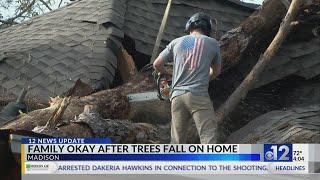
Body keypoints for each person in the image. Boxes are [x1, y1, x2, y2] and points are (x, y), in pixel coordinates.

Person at [153, 12, 221, 144]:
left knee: (177, 142)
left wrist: (171, 74)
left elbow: (157, 64)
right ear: (207, 28)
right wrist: (204, 78)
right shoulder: (212, 43)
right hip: (198, 95)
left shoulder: (177, 42)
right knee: (208, 136)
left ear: (189, 26)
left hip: (177, 96)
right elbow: (216, 71)